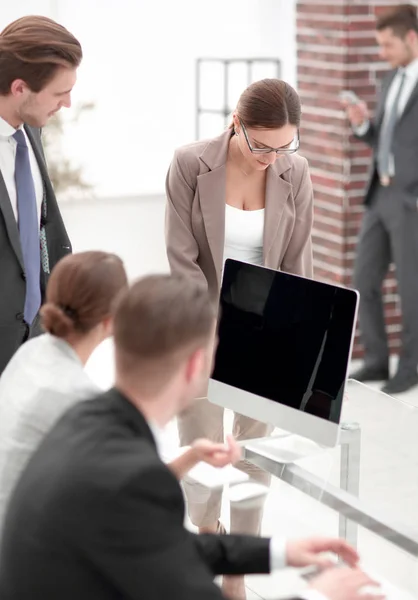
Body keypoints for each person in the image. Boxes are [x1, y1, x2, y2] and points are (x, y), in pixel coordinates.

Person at [0, 274, 381, 600]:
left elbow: (167, 546)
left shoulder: (89, 417)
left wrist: (277, 551)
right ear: (198, 363)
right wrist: (321, 593)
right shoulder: (135, 478)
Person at [165, 77, 314, 600]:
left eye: (284, 146)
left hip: (264, 331)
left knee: (254, 454)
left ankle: (238, 570)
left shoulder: (294, 173)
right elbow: (182, 260)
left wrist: (292, 337)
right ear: (236, 122)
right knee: (202, 445)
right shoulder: (191, 164)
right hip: (202, 324)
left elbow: (297, 264)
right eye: (261, 145)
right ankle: (209, 540)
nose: (272, 157)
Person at [0, 251, 240, 540]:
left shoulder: (30, 352)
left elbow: (128, 474)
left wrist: (193, 455)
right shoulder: (77, 396)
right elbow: (138, 487)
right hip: (27, 551)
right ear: (113, 319)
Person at [0, 15, 82, 374]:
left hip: (33, 346)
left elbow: (39, 230)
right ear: (20, 88)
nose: (67, 103)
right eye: (59, 93)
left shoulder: (31, 131)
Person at [344, 4, 418, 394]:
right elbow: (384, 140)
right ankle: (375, 359)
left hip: (411, 203)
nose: (383, 53)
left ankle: (410, 368)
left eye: (388, 45)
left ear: (411, 37)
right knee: (363, 280)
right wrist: (361, 124)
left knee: (411, 289)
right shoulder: (390, 80)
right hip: (380, 195)